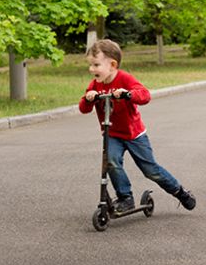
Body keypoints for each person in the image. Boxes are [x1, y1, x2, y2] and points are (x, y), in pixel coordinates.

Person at [79, 39, 196, 213]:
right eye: (90, 65)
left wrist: (128, 94)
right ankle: (125, 197)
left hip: (134, 135)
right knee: (111, 162)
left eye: (96, 65)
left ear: (112, 65)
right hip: (112, 134)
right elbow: (83, 108)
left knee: (151, 171)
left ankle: (179, 191)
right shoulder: (95, 85)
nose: (91, 69)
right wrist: (89, 98)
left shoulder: (124, 79)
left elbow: (144, 95)